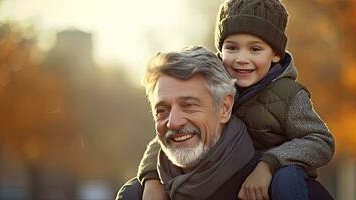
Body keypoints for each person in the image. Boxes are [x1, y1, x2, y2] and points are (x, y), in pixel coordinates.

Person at [132, 0, 335, 199]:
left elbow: (320, 141)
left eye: (255, 49)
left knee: (286, 180)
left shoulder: (288, 95)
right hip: (232, 169)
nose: (241, 59)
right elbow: (171, 132)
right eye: (232, 48)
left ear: (275, 54)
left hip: (280, 168)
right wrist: (151, 178)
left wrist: (268, 164)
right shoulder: (212, 82)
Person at [116, 46, 260, 200]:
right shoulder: (136, 195)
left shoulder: (269, 186)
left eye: (189, 105)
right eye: (162, 110)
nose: (173, 123)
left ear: (224, 108)